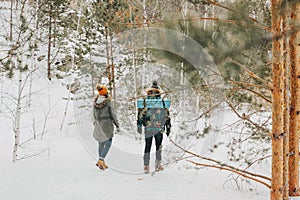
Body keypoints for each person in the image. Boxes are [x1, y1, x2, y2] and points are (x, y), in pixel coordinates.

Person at [137, 81, 171, 173]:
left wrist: (139, 125)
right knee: (158, 146)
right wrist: (168, 126)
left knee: (147, 146)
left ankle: (146, 166)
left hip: (148, 127)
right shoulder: (163, 102)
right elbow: (167, 115)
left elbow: (140, 114)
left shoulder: (144, 102)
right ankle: (158, 164)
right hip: (159, 128)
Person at [93, 84, 120, 170]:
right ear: (106, 93)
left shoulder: (95, 102)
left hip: (98, 123)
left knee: (101, 143)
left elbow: (93, 114)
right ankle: (101, 160)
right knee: (108, 142)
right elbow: (113, 114)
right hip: (107, 124)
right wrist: (117, 124)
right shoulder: (108, 102)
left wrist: (95, 123)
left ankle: (102, 162)